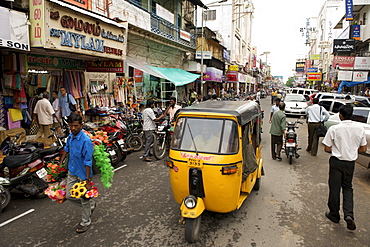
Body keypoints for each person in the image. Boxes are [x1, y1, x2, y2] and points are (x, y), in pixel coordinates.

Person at [322, 105, 367, 231]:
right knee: (348, 188)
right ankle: (349, 215)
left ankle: (334, 214)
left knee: (334, 188)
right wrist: (351, 149)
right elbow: (363, 149)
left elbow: (326, 148)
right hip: (350, 163)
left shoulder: (334, 128)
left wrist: (338, 149)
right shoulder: (359, 129)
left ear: (340, 115)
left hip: (337, 162)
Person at [59, 113, 95, 233]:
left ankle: (85, 222)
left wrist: (87, 180)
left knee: (84, 198)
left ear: (81, 125)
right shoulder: (70, 136)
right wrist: (60, 163)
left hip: (83, 173)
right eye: (71, 126)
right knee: (69, 196)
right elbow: (66, 149)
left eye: (75, 126)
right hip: (72, 170)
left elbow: (88, 161)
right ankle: (89, 205)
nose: (73, 128)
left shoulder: (86, 141)